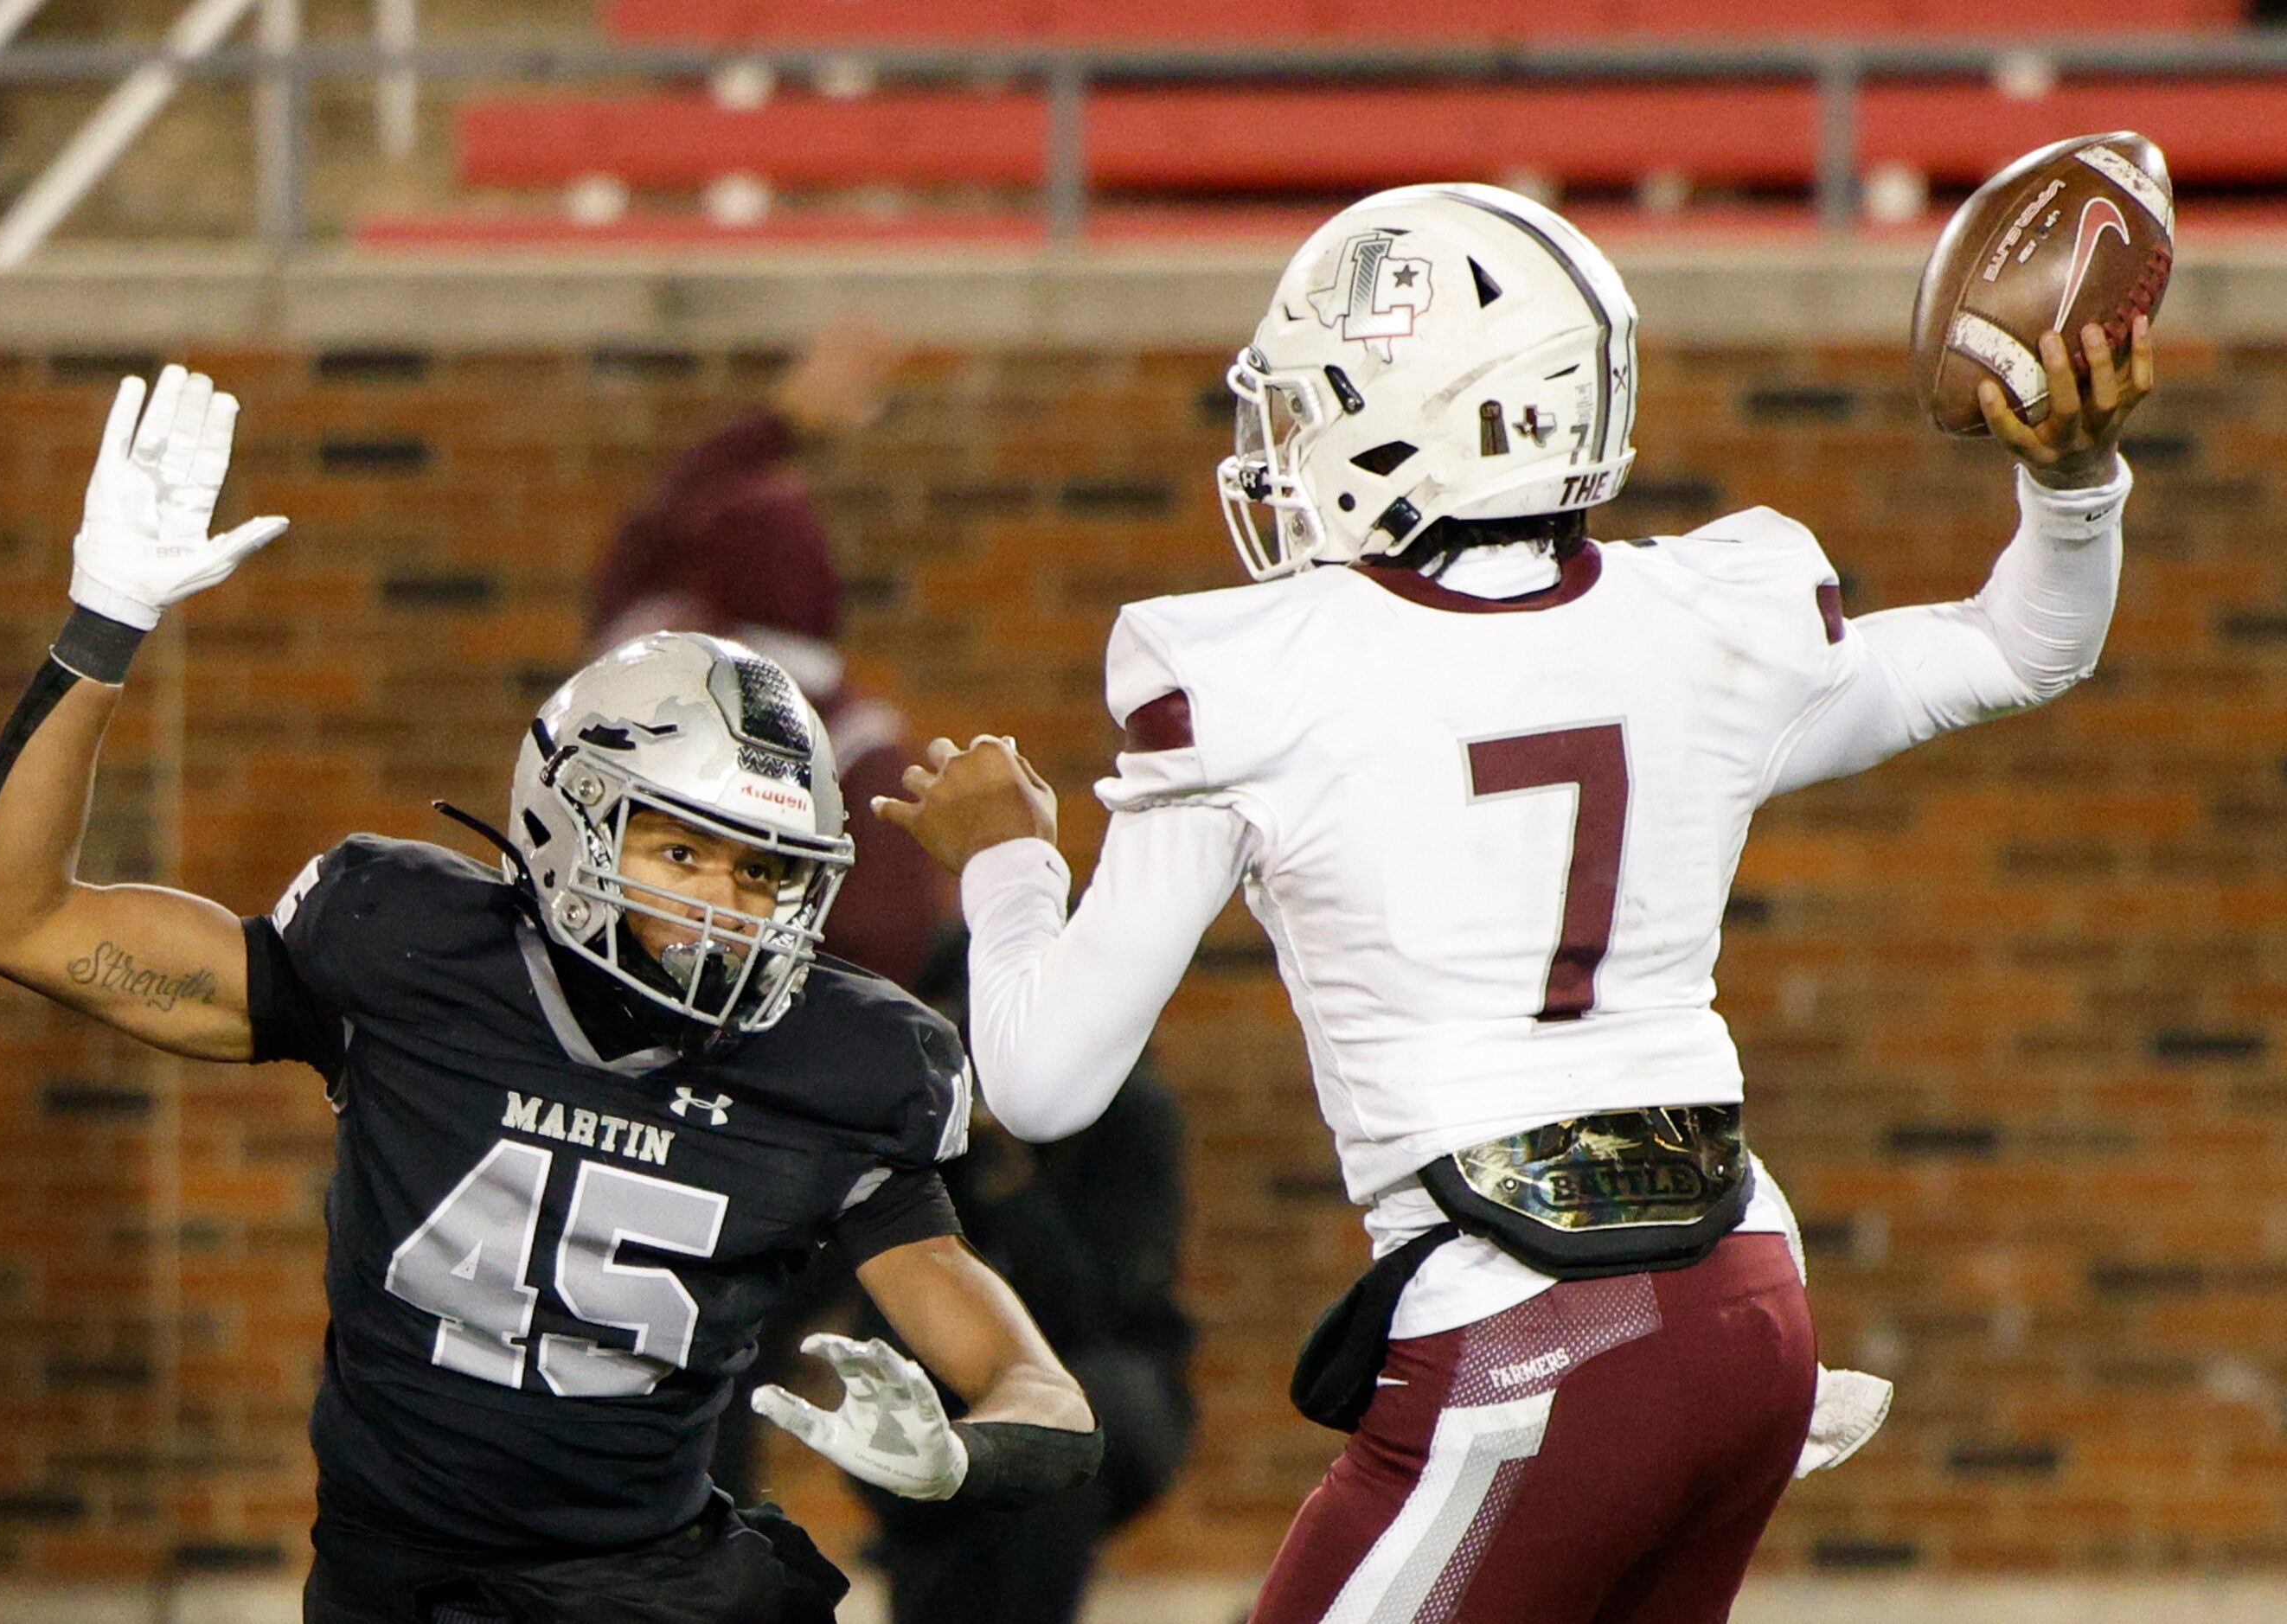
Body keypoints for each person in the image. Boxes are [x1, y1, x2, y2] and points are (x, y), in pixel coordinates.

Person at [874, 183, 2153, 1623]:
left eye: (1323, 401)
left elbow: (1043, 1079)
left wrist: (1007, 860)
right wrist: (2073, 480)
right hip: (1747, 1306)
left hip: (1531, 1328)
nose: (1286, 444)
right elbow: (2024, 644)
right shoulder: (1702, 620)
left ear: (1449, 416)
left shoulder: (1259, 677)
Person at [0, 365, 1100, 1624]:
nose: (726, 901)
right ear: (569, 822)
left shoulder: (840, 1057)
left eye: (764, 869)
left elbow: (1043, 1396)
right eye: (681, 850)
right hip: (397, 1582)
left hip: (650, 1592)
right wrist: (101, 626)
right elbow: (21, 918)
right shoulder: (411, 951)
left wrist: (958, 1456)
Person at [589, 318, 945, 988]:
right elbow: (883, 951)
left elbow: (652, 529)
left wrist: (776, 426)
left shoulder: (644, 667)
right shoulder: (857, 741)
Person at [855, 931, 1195, 1624]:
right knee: (909, 1411)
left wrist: (1009, 1181)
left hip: (1109, 1385)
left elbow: (1093, 1307)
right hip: (949, 1384)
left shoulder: (1129, 1114)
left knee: (1057, 1425)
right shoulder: (918, 1124)